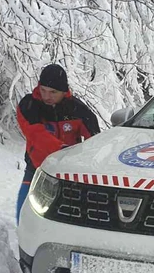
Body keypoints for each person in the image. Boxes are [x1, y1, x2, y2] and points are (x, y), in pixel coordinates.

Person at [16, 64, 100, 223]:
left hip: (69, 171)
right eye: (43, 90)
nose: (47, 96)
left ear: (64, 91)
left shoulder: (78, 109)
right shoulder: (28, 105)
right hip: (37, 167)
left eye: (53, 92)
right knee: (25, 211)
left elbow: (95, 141)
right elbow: (36, 135)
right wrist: (62, 150)